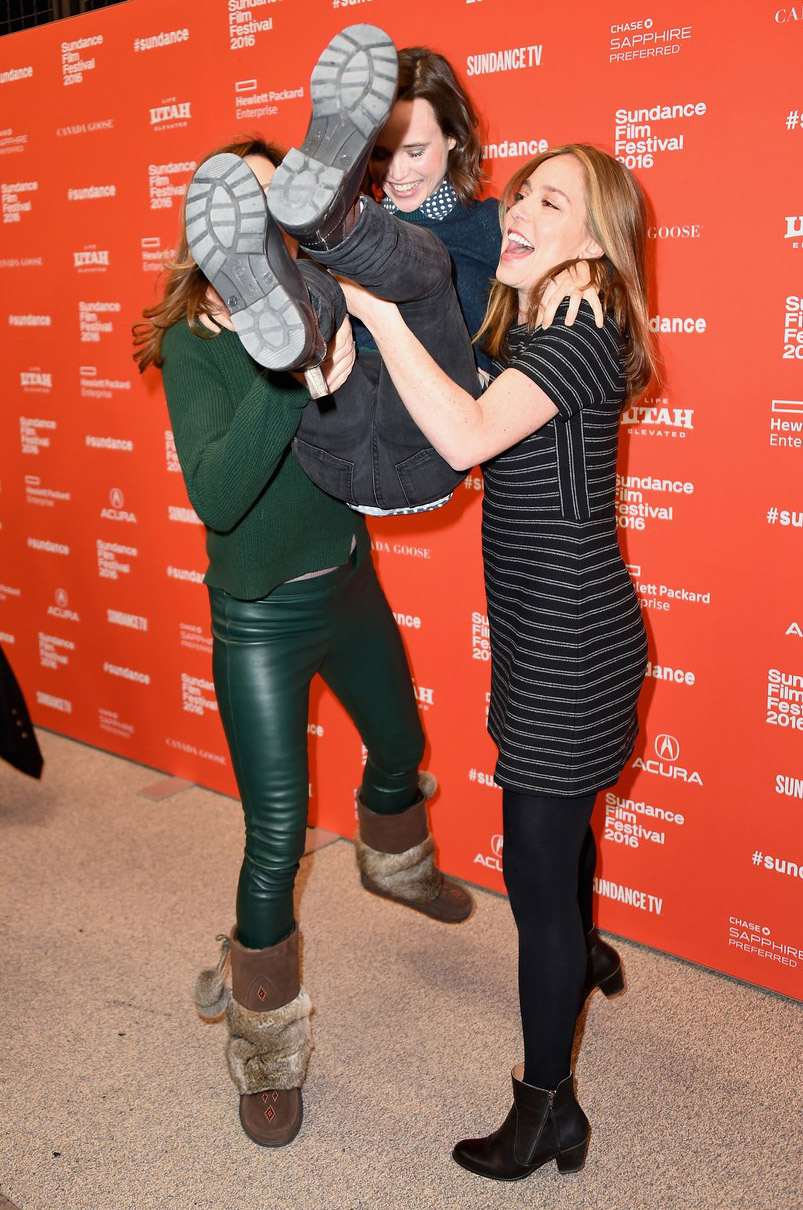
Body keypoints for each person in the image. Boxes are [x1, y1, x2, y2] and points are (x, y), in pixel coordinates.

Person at [132, 121, 474, 1148]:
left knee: (401, 750)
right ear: (206, 220)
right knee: (275, 837)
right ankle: (266, 1042)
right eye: (241, 194)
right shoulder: (194, 339)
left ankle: (393, 863)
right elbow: (221, 495)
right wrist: (291, 375)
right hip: (260, 614)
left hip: (349, 583)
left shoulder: (324, 292)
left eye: (281, 193)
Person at [339, 143, 655, 1180]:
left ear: (593, 241)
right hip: (549, 632)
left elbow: (468, 434)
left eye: (547, 201)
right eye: (520, 192)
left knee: (533, 871)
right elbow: (466, 402)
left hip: (569, 644)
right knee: (556, 851)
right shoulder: (549, 331)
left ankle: (546, 1108)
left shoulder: (577, 342)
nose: (515, 210)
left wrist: (379, 309)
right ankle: (584, 948)